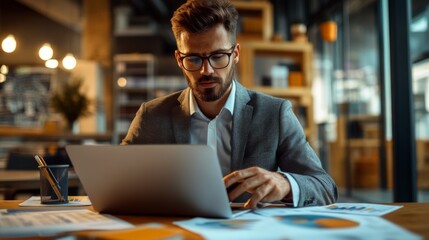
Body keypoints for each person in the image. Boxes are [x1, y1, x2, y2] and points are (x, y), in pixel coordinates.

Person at [122, 0, 338, 208]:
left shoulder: (275, 113)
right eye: (194, 59)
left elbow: (325, 187)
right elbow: (117, 181)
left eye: (218, 56)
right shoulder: (151, 115)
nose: (207, 70)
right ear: (179, 59)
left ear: (235, 54)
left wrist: (285, 183)